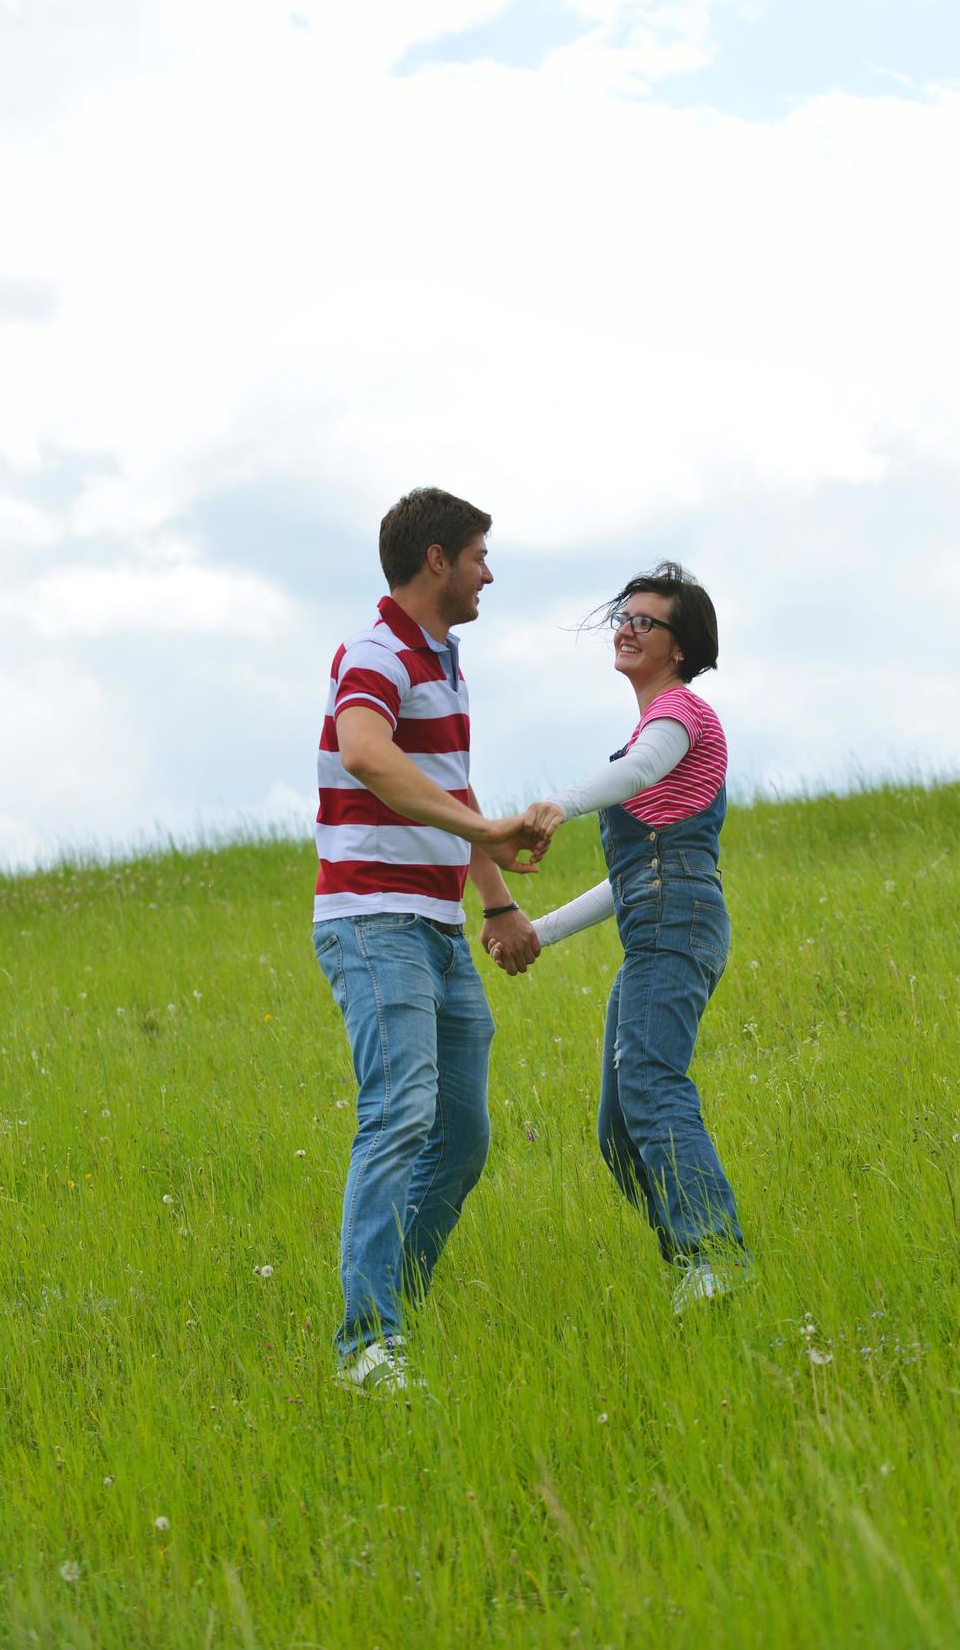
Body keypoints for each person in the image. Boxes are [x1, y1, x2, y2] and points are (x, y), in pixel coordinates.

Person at [312, 487, 547, 1391]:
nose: (491, 570)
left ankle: (392, 1310)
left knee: (461, 1136)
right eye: (481, 553)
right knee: (400, 1117)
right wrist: (487, 837)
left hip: (438, 926)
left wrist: (494, 904)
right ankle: (367, 1344)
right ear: (437, 559)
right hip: (373, 923)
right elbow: (367, 754)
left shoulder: (441, 660)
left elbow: (449, 789)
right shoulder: (374, 653)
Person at [511, 561, 751, 1312]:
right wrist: (539, 932)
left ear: (679, 646)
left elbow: (640, 772)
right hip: (653, 924)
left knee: (651, 1087)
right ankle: (692, 1265)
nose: (626, 627)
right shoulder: (651, 731)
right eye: (624, 615)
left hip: (677, 920)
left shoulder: (681, 715)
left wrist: (558, 803)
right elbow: (631, 877)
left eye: (645, 620)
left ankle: (718, 1258)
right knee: (618, 1128)